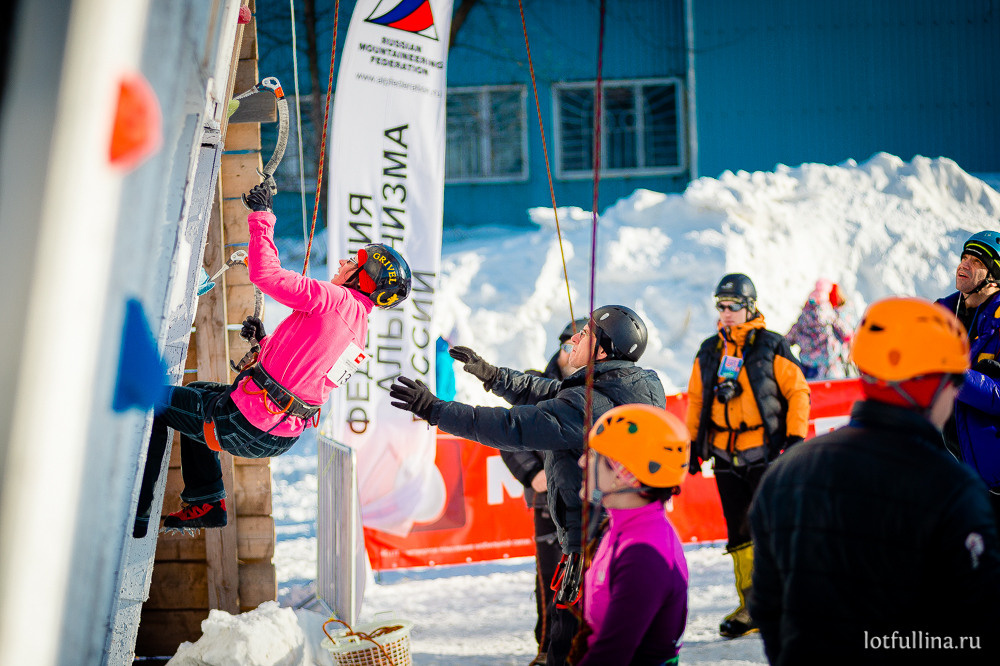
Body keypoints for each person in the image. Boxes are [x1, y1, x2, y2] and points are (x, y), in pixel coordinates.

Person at [388, 305, 666, 666]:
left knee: (570, 648)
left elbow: (511, 427)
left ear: (602, 352)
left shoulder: (590, 403)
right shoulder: (635, 384)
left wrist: (436, 410)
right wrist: (492, 375)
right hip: (612, 530)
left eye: (586, 334)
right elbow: (549, 391)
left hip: (593, 540)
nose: (574, 338)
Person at [133, 183, 412, 537]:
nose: (343, 262)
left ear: (365, 279)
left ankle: (136, 517)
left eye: (353, 262)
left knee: (156, 401)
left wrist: (261, 215)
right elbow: (306, 377)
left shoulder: (334, 298)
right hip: (277, 436)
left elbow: (265, 275)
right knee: (198, 393)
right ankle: (208, 500)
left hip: (244, 422)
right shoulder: (358, 329)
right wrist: (264, 342)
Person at [749, 296, 1000, 664]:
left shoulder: (789, 471)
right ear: (935, 383)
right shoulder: (954, 491)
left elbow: (768, 606)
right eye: (957, 379)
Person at [685, 273, 810, 638]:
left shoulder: (771, 345)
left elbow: (798, 391)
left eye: (733, 306)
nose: (725, 312)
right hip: (724, 455)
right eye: (720, 306)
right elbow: (695, 401)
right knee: (739, 532)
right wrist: (694, 445)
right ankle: (752, 606)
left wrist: (795, 436)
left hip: (765, 451)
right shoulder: (709, 350)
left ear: (749, 307)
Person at [571, 404, 690, 666]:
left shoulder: (643, 555)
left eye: (593, 455)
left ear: (621, 473)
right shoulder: (624, 528)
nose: (581, 462)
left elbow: (611, 655)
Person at [498, 317, 586, 665]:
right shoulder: (535, 383)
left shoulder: (601, 388)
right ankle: (547, 648)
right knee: (551, 579)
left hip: (589, 501)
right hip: (547, 501)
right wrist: (533, 472)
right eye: (567, 346)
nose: (571, 352)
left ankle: (582, 646)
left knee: (590, 575)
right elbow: (508, 434)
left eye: (577, 346)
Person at [936, 230, 1000, 526]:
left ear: (994, 277)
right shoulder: (941, 314)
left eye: (976, 261)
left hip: (993, 483)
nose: (964, 264)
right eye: (964, 257)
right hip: (948, 472)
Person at [785, 278, 852, 379]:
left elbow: (790, 337)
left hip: (806, 362)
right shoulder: (829, 313)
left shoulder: (804, 314)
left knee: (808, 390)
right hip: (825, 363)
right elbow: (846, 333)